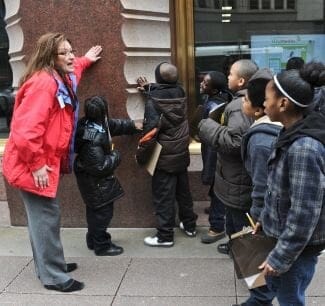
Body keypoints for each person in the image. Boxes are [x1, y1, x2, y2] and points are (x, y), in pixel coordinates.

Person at [2, 32, 102, 292]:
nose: (71, 56)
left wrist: (86, 59)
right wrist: (36, 166)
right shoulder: (44, 84)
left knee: (42, 219)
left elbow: (75, 69)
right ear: (50, 56)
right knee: (46, 218)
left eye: (72, 50)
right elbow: (25, 133)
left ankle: (49, 265)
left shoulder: (60, 79)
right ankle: (54, 276)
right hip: (34, 165)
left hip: (40, 162)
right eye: (65, 52)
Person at [256, 65, 325, 305]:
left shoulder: (304, 147)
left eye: (266, 99)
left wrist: (280, 257)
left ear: (283, 104)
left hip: (296, 250)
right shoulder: (290, 132)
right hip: (284, 239)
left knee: (290, 299)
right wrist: (265, 221)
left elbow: (304, 212)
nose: (263, 104)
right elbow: (278, 190)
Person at [198, 59, 258, 255]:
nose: (228, 77)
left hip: (238, 177)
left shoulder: (239, 105)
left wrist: (207, 126)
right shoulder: (240, 101)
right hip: (233, 176)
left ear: (241, 81)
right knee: (232, 218)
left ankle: (248, 264)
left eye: (231, 74)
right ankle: (234, 247)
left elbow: (236, 142)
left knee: (241, 223)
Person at [233, 68, 282, 306]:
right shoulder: (269, 130)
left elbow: (262, 183)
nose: (241, 102)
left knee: (258, 251)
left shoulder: (261, 141)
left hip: (266, 212)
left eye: (245, 99)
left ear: (260, 108)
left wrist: (256, 216)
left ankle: (260, 299)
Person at [137, 62, 197, 247]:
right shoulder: (181, 93)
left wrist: (141, 155)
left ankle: (165, 236)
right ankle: (190, 226)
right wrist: (150, 89)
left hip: (163, 156)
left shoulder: (153, 101)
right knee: (183, 193)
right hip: (180, 153)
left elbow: (150, 132)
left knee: (163, 196)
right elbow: (167, 94)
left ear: (158, 78)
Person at [74, 96, 141, 256]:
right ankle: (102, 246)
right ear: (104, 111)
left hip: (91, 180)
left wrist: (132, 125)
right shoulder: (93, 138)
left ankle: (93, 240)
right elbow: (100, 166)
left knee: (95, 210)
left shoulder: (92, 124)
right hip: (95, 182)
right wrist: (116, 155)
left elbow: (113, 126)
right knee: (102, 213)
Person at [199, 71, 232, 244]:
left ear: (214, 89)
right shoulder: (219, 98)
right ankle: (215, 210)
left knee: (217, 185)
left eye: (205, 83)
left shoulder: (214, 106)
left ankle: (217, 226)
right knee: (215, 184)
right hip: (210, 150)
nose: (202, 85)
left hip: (214, 152)